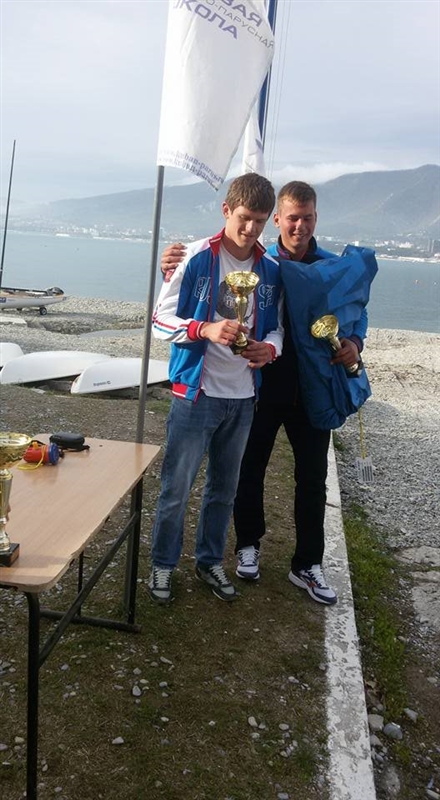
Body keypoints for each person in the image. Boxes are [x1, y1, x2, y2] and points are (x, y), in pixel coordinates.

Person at [160, 181, 368, 606]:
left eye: (307, 217)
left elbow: (351, 309)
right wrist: (175, 276)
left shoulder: (323, 267)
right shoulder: (238, 259)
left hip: (304, 388)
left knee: (304, 480)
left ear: (315, 218)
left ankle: (300, 564)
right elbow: (169, 310)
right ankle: (233, 549)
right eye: (292, 218)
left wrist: (353, 342)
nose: (299, 226)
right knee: (225, 477)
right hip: (246, 388)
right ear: (278, 219)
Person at [149, 173, 284, 604]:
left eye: (260, 221)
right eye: (244, 218)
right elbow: (159, 320)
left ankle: (209, 562)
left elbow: (277, 328)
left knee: (224, 491)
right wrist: (204, 328)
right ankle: (162, 565)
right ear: (226, 210)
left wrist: (269, 349)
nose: (251, 229)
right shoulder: (192, 257)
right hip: (196, 394)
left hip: (243, 398)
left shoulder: (270, 269)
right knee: (176, 489)